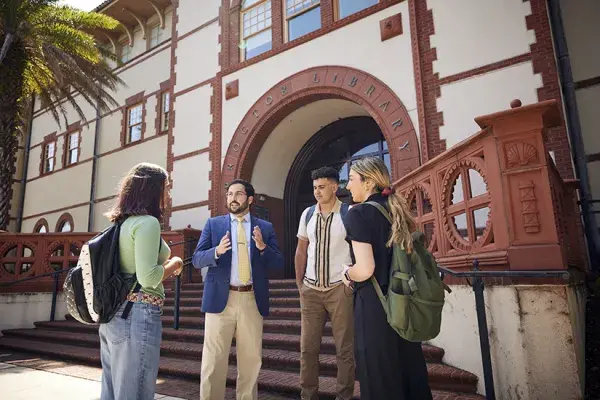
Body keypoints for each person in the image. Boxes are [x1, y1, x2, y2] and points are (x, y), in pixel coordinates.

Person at [341, 157, 432, 400]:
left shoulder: (358, 214)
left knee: (378, 376)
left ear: (368, 181)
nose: (348, 186)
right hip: (404, 302)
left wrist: (347, 273)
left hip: (375, 306)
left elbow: (365, 268)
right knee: (408, 370)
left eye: (351, 179)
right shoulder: (396, 209)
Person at [192, 179, 283, 400]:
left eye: (239, 194)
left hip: (251, 299)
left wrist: (262, 247)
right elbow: (196, 259)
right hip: (220, 300)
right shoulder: (214, 225)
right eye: (230, 194)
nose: (233, 198)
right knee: (213, 361)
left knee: (251, 360)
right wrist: (217, 251)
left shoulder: (266, 228)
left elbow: (279, 263)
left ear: (250, 199)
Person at [99, 162, 184, 400]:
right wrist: (175, 263)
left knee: (112, 391)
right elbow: (149, 278)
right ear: (153, 189)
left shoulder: (122, 223)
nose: (168, 193)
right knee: (136, 392)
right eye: (166, 187)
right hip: (137, 314)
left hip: (113, 315)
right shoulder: (148, 223)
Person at [295, 166, 355, 400]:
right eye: (314, 188)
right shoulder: (307, 214)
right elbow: (301, 251)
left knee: (345, 350)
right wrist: (300, 285)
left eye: (321, 187)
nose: (317, 192)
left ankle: (344, 396)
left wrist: (352, 281)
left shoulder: (349, 213)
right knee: (308, 350)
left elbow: (359, 250)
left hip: (340, 290)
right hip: (311, 290)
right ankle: (308, 396)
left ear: (334, 187)